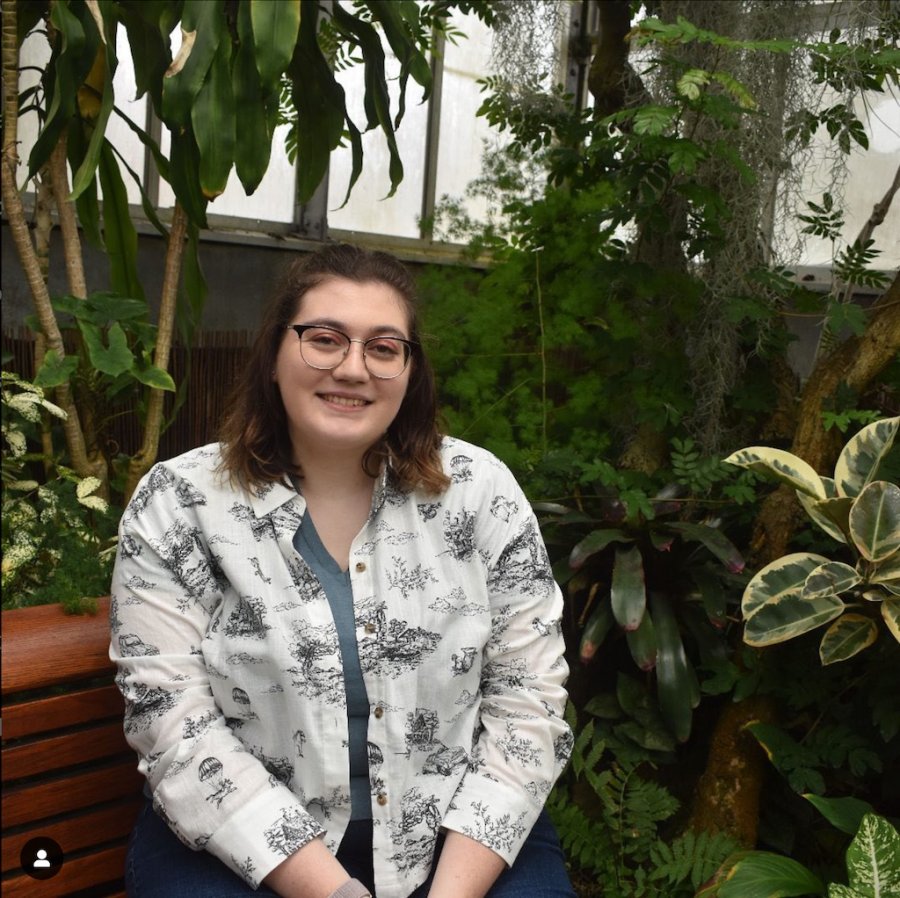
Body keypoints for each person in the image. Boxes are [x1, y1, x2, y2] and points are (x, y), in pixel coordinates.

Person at [110, 243, 575, 898]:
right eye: (324, 339)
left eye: (384, 348)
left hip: (457, 839)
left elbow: (528, 701)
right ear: (275, 353)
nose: (353, 368)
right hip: (236, 842)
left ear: (410, 371)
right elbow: (174, 724)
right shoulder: (181, 505)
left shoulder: (480, 495)